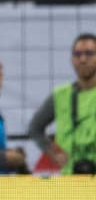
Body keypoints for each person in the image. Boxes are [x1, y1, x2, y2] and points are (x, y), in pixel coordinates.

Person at [28, 33, 96, 173]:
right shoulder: (60, 95)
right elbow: (35, 127)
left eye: (89, 53)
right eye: (77, 54)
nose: (83, 59)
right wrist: (52, 152)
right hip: (69, 181)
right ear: (71, 59)